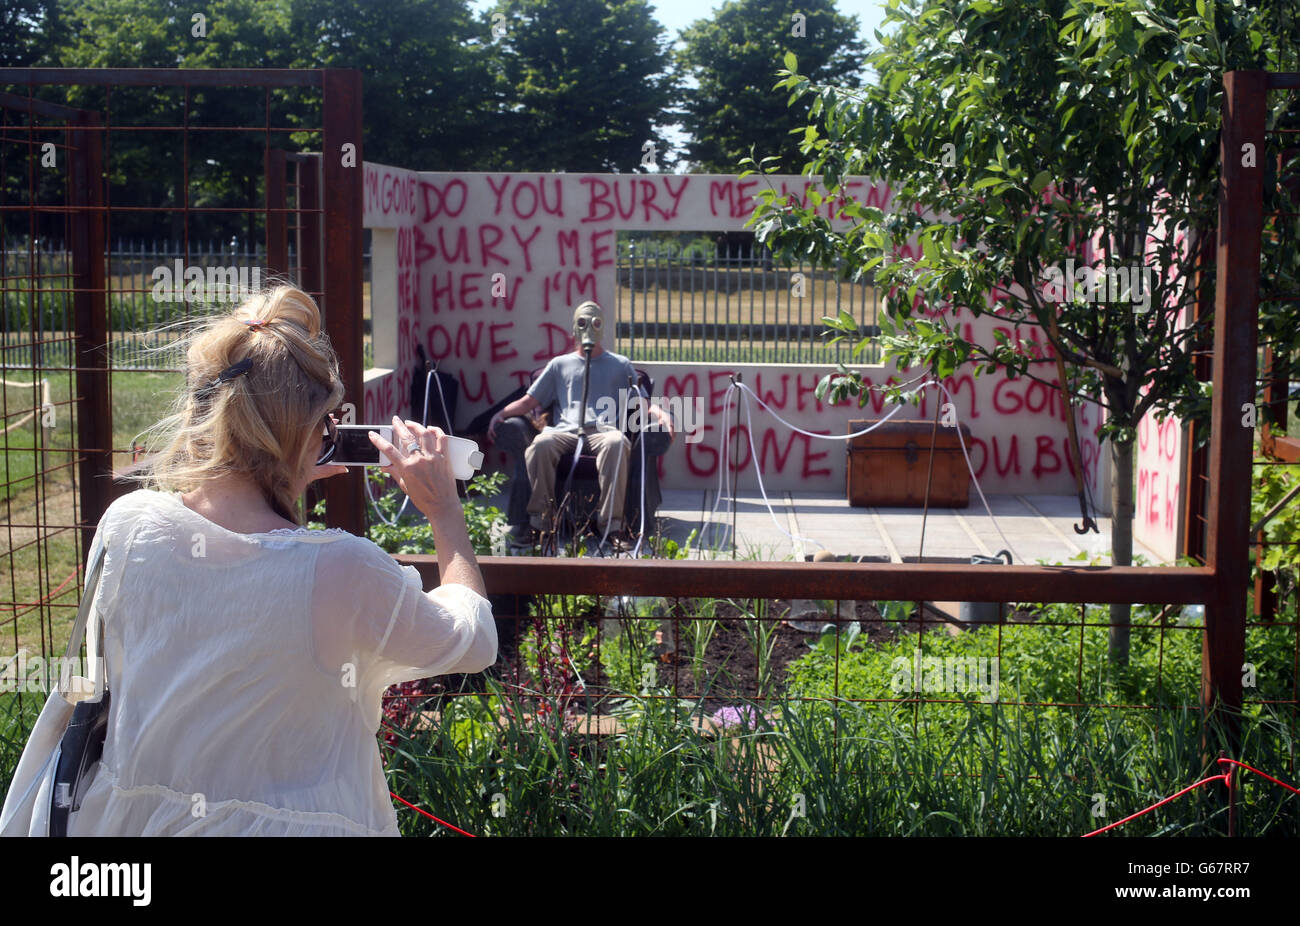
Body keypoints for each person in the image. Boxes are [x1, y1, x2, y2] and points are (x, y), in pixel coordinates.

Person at [65, 285, 496, 837]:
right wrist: (444, 512)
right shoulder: (341, 569)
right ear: (309, 430)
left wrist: (280, 465)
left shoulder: (128, 524)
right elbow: (475, 641)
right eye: (327, 424)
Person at [486, 300, 672, 547]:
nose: (589, 329)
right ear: (573, 328)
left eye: (595, 323)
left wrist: (664, 416)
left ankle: (612, 527)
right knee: (540, 445)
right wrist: (499, 414)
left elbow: (643, 403)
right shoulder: (559, 365)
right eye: (583, 323)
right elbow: (529, 401)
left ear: (602, 327)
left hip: (604, 431)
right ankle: (540, 525)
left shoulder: (620, 364)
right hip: (566, 431)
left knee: (618, 443)